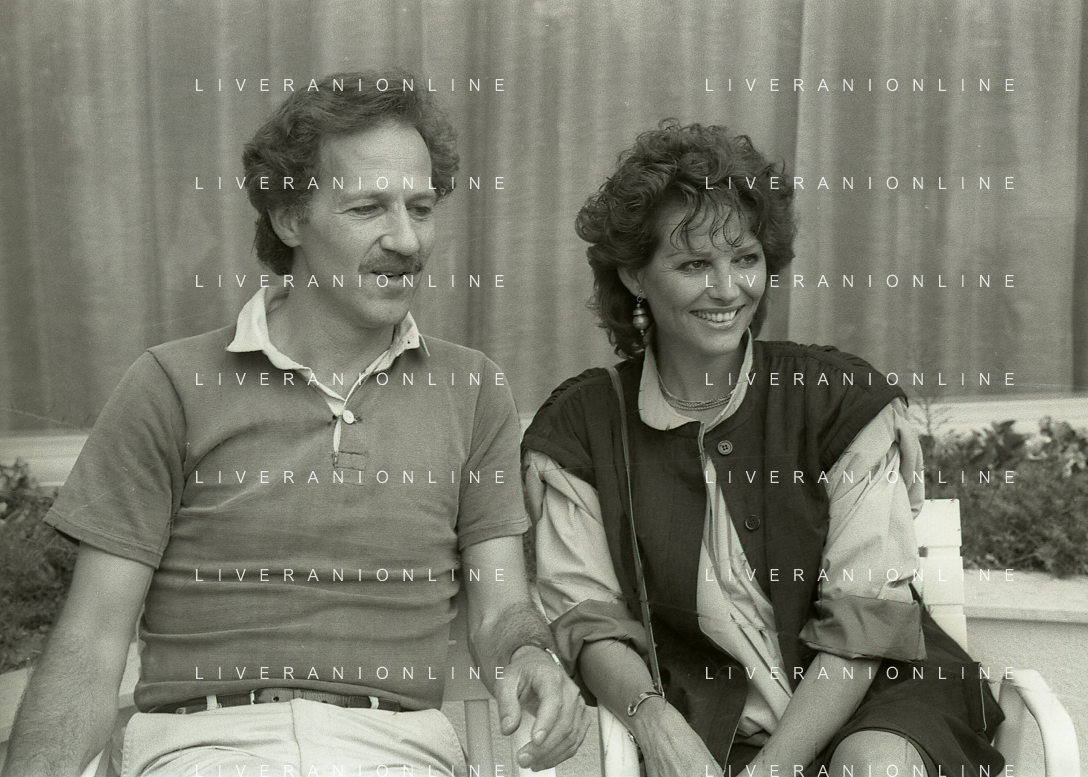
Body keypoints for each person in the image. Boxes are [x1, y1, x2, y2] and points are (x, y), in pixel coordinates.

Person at [3, 69, 586, 777]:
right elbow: (91, 641)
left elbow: (500, 610)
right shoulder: (170, 385)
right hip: (207, 750)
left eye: (422, 207)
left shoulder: (472, 390)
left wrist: (529, 654)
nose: (407, 240)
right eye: (368, 208)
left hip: (397, 753)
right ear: (288, 218)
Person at [522, 122, 1006, 776]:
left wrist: (773, 770)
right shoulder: (580, 430)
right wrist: (654, 722)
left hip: (881, 697)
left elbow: (865, 622)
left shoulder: (837, 400)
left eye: (745, 259)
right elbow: (588, 620)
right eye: (694, 264)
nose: (728, 289)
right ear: (634, 275)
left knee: (874, 767)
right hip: (718, 722)